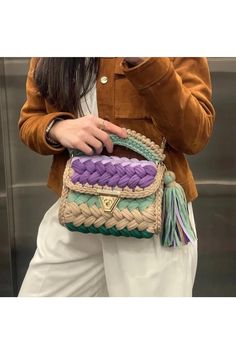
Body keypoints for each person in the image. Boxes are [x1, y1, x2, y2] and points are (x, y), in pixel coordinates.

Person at [18, 57, 215, 297]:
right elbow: (30, 119)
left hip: (152, 219)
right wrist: (56, 127)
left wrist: (148, 62)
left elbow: (195, 134)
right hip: (76, 211)